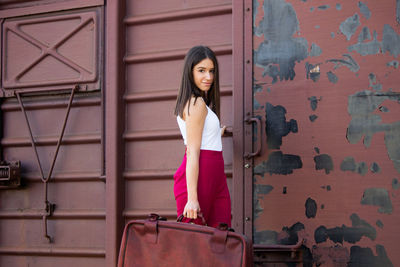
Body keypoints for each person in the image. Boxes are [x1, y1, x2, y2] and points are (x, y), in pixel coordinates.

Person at [173, 45, 231, 228]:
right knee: (196, 246)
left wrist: (216, 132)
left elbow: (202, 137)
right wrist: (192, 199)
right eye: (201, 70)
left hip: (214, 174)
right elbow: (192, 152)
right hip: (201, 176)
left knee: (220, 239)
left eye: (211, 71)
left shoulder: (201, 104)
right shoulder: (196, 103)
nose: (209, 77)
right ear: (190, 72)